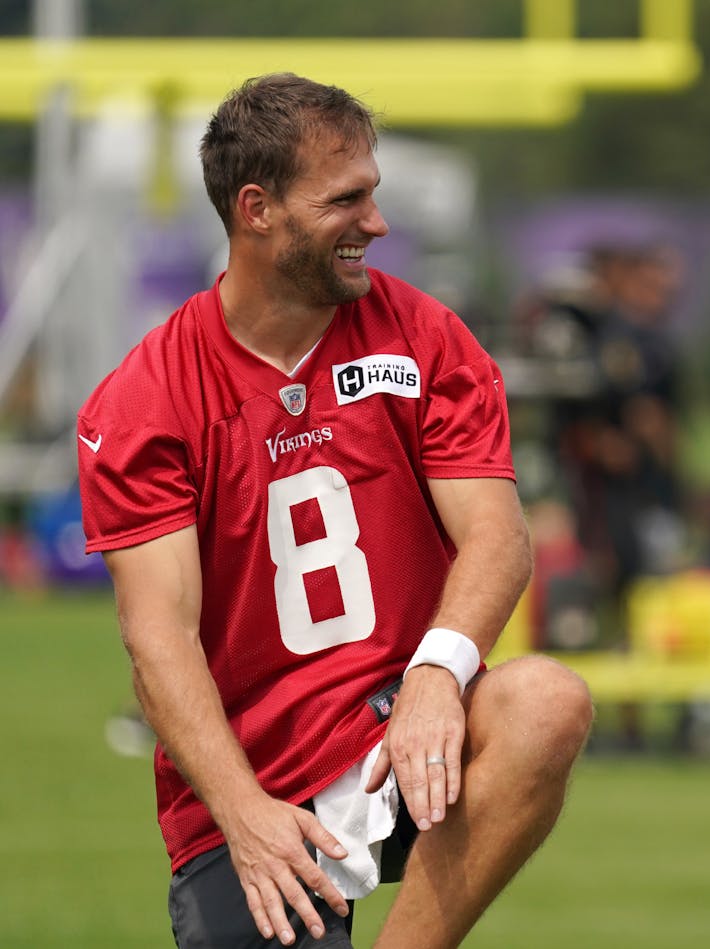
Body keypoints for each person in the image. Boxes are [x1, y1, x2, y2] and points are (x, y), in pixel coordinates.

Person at [76, 73, 593, 949]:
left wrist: (438, 670)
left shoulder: (424, 335)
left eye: (375, 195)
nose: (377, 224)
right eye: (345, 199)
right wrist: (242, 812)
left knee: (544, 699)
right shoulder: (147, 395)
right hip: (260, 775)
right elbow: (157, 637)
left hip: (404, 731)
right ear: (257, 209)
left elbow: (498, 535)